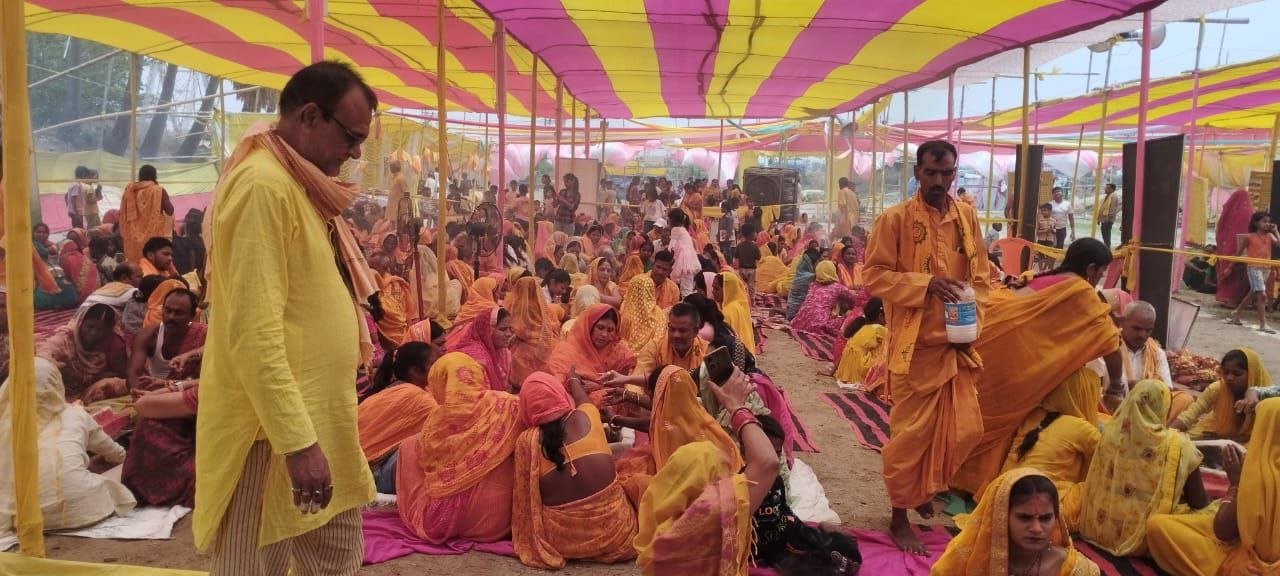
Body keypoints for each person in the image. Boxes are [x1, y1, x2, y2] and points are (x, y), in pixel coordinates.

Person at [195, 61, 381, 575]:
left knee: (337, 561)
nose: (356, 152)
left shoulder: (296, 183)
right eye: (351, 136)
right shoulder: (263, 186)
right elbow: (255, 332)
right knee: (253, 567)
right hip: (270, 434)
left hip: (323, 421)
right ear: (310, 116)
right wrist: (296, 442)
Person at [862, 139, 992, 553]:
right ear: (916, 173)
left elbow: (983, 279)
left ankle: (924, 490)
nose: (939, 181)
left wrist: (974, 322)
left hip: (956, 344)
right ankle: (899, 516)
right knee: (910, 438)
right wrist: (927, 284)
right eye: (931, 173)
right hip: (913, 347)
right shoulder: (895, 220)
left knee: (966, 429)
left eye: (947, 173)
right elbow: (874, 277)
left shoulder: (968, 218)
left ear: (955, 174)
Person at [952, 238, 1123, 501]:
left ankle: (956, 476)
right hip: (1013, 363)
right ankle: (981, 484)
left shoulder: (1036, 278)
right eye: (1100, 274)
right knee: (1002, 413)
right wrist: (1116, 386)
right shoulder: (1080, 291)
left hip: (986, 349)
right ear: (1090, 269)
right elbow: (1110, 341)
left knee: (980, 414)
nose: (1098, 280)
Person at [632, 368, 780, 576]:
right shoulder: (712, 515)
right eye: (719, 476)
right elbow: (768, 463)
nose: (727, 480)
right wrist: (736, 407)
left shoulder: (659, 537)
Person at [511, 371, 638, 569]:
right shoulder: (587, 414)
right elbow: (582, 398)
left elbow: (525, 500)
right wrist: (573, 379)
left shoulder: (527, 442)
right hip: (617, 536)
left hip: (561, 543)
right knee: (634, 474)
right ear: (561, 395)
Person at [0, 358, 135, 538]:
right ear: (56, 382)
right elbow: (116, 454)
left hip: (26, 517)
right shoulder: (76, 414)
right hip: (85, 511)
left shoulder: (7, 424)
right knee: (123, 467)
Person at [397, 353, 525, 543]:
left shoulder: (436, 423)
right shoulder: (509, 404)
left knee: (408, 447)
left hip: (442, 521)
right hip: (498, 523)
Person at [1146, 399, 1280, 576]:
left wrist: (1236, 484)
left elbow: (1223, 531)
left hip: (1251, 563)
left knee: (1157, 526)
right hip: (1249, 542)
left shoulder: (1260, 472)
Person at [1076, 380, 1208, 557]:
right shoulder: (1176, 444)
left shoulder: (1109, 434)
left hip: (1098, 529)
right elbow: (1199, 502)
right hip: (1144, 541)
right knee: (1210, 519)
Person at [933, 468, 1101, 575]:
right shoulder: (968, 561)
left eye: (1045, 518)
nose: (1036, 528)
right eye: (1024, 517)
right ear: (1000, 517)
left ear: (1057, 518)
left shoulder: (1076, 570)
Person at [996, 372, 1102, 532]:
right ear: (1085, 394)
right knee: (1102, 486)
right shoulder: (1080, 427)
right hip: (1046, 509)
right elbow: (1111, 457)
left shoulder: (1033, 416)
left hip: (1002, 499)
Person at [357, 342, 439, 494]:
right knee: (426, 442)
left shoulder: (393, 388)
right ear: (415, 371)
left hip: (358, 471)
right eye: (434, 365)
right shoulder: (420, 399)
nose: (440, 369)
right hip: (370, 476)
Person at [1170, 348, 1271, 443]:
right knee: (1181, 441)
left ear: (1252, 374)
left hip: (1251, 442)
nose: (1229, 378)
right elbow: (1191, 414)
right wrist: (1167, 435)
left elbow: (1264, 437)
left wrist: (1230, 441)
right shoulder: (1217, 388)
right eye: (1226, 372)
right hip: (1214, 431)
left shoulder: (1265, 399)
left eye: (1237, 374)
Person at [36, 303, 128, 403]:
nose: (93, 333)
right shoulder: (66, 338)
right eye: (89, 326)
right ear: (81, 322)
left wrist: (88, 378)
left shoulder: (112, 342)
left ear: (108, 331)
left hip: (83, 392)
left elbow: (121, 374)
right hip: (57, 386)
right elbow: (44, 354)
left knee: (115, 384)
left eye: (100, 330)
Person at [546, 304, 635, 406]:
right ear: (589, 326)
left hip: (607, 402)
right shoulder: (567, 350)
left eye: (610, 330)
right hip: (572, 399)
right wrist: (577, 386)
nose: (604, 334)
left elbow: (620, 386)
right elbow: (558, 381)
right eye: (600, 328)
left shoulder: (620, 352)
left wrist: (598, 386)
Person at [125, 288, 205, 394]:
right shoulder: (148, 335)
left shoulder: (203, 334)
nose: (171, 317)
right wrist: (140, 394)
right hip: (155, 391)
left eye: (179, 313)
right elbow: (134, 373)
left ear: (192, 315)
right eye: (168, 310)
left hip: (190, 391)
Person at [504, 276, 561, 389]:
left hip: (521, 351)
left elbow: (517, 329)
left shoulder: (514, 305)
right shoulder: (540, 305)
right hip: (542, 347)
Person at [1226, 212, 1279, 333]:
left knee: (1252, 294)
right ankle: (1263, 324)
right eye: (1264, 221)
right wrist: (1230, 267)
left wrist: (1276, 231)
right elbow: (1238, 253)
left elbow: (1279, 243)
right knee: (1262, 295)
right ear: (1256, 223)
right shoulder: (1249, 237)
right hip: (1254, 268)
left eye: (1268, 222)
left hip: (1266, 268)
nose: (1267, 224)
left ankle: (1236, 314)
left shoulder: (1270, 236)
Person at [619, 249, 679, 352]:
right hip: (635, 329)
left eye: (664, 269)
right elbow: (626, 307)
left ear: (670, 271)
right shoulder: (640, 282)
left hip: (661, 334)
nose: (660, 272)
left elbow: (672, 316)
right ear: (653, 265)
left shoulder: (673, 289)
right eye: (658, 267)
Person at [447, 306, 515, 392]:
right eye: (503, 329)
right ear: (487, 330)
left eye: (511, 329)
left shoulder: (503, 351)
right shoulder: (476, 357)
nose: (509, 334)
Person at [632, 303, 708, 376]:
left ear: (695, 331)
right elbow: (638, 379)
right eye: (672, 329)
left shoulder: (707, 350)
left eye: (682, 330)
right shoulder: (654, 347)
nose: (676, 335)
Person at [120, 165, 175, 265]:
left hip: (133, 239)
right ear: (155, 176)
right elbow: (170, 211)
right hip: (153, 238)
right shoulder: (158, 191)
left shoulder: (130, 191)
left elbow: (123, 214)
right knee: (151, 266)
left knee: (135, 267)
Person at [789, 261, 859, 339]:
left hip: (799, 322)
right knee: (851, 320)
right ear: (833, 271)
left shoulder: (813, 285)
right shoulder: (837, 287)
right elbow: (855, 299)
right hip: (820, 324)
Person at [833, 297, 886, 390]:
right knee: (888, 349)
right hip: (859, 371)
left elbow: (845, 350)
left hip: (845, 371)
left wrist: (833, 371)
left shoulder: (862, 325)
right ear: (880, 316)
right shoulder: (880, 329)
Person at [715, 271, 757, 354]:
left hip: (737, 357)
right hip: (748, 354)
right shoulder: (740, 303)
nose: (713, 291)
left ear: (727, 289)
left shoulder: (728, 312)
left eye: (716, 289)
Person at [59, 228, 101, 301]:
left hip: (83, 298)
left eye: (75, 238)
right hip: (97, 293)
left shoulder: (65, 259)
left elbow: (67, 278)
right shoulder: (82, 256)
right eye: (72, 238)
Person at [784, 242, 821, 319]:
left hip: (791, 310)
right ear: (811, 263)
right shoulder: (810, 277)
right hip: (797, 315)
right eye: (818, 262)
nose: (819, 264)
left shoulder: (801, 272)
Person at [734, 225, 762, 300]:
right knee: (751, 286)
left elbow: (736, 256)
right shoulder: (755, 246)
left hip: (741, 268)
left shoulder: (739, 245)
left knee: (742, 285)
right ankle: (751, 301)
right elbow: (758, 257)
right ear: (752, 234)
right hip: (752, 269)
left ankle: (743, 299)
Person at [1096, 183, 1120, 248]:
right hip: (1103, 220)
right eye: (1106, 188)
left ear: (1112, 189)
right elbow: (1102, 207)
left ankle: (1107, 249)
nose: (1105, 189)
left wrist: (1107, 219)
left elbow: (1112, 209)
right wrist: (1099, 219)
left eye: (1107, 188)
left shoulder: (1113, 196)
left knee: (1106, 236)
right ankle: (1106, 247)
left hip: (1107, 221)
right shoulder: (1107, 196)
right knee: (1104, 235)